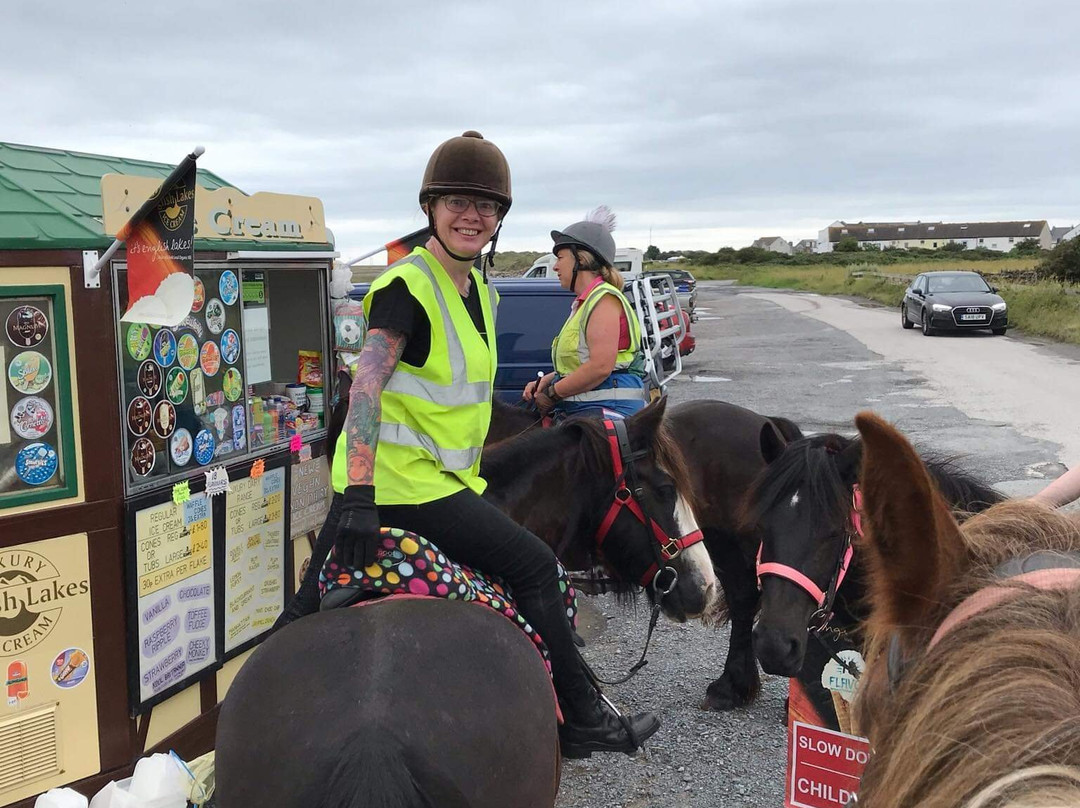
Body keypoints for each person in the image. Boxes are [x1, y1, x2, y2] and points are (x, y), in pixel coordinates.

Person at [279, 131, 659, 757]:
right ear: (430, 208)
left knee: (299, 616)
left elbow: (463, 402)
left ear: (499, 220)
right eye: (457, 201)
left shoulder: (478, 290)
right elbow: (368, 388)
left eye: (487, 206)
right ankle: (586, 717)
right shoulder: (409, 286)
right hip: (399, 488)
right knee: (537, 564)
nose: (472, 215)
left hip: (444, 480)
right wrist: (360, 496)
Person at [522, 209, 647, 419]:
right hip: (585, 410)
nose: (556, 267)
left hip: (609, 411)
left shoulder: (604, 300)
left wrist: (553, 393)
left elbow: (599, 367)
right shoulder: (585, 303)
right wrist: (549, 380)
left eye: (560, 258)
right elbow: (582, 363)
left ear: (581, 259)